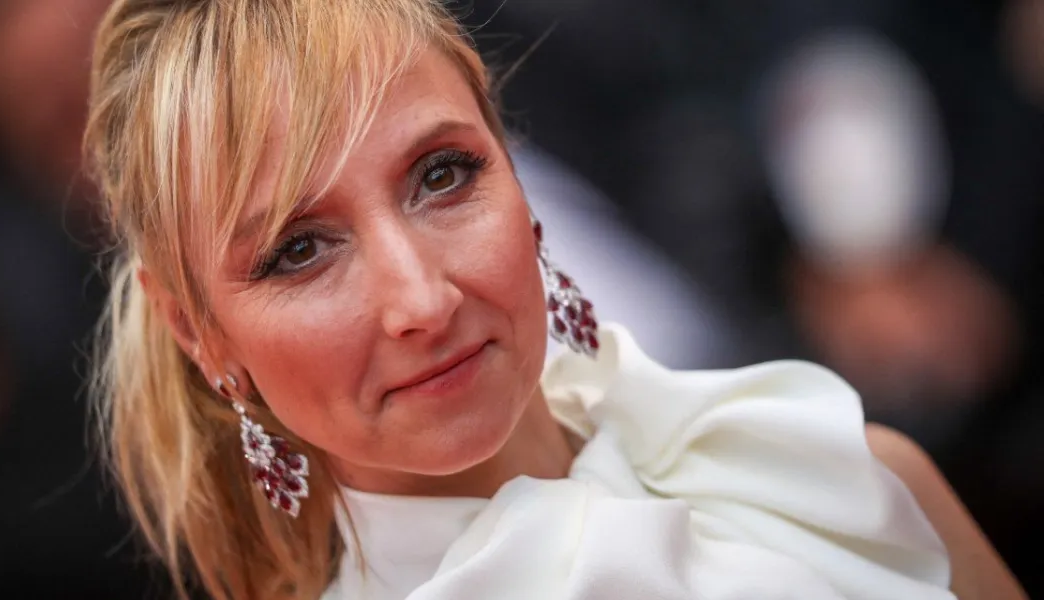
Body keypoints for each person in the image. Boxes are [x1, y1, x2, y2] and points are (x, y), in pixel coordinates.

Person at [82, 1, 1024, 598]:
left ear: (513, 168)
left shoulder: (834, 467)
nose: (421, 298)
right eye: (298, 252)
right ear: (199, 334)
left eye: (443, 174)